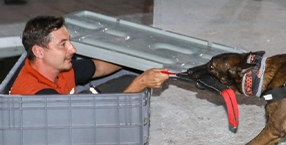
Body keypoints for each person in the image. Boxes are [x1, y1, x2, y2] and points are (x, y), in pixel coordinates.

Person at [10, 15, 169, 95]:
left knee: (128, 77)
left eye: (69, 42)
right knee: (134, 82)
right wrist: (141, 82)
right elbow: (91, 124)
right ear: (39, 51)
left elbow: (98, 68)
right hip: (61, 144)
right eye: (63, 44)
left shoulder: (57, 68)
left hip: (72, 115)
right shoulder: (38, 95)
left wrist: (136, 55)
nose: (72, 49)